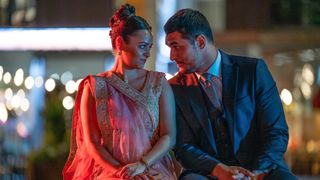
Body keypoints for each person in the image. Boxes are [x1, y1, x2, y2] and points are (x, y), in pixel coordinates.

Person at [164, 8, 297, 180]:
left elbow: (276, 131)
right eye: (169, 48)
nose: (172, 56)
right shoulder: (174, 87)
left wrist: (257, 172)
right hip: (209, 172)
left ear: (201, 42)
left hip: (260, 168)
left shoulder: (253, 71)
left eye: (176, 46)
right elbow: (184, 146)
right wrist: (219, 170)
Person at [63, 4, 176, 179]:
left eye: (149, 47)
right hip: (111, 172)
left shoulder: (159, 83)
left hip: (151, 168)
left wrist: (142, 165)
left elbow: (168, 135)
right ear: (120, 43)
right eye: (142, 46)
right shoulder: (94, 86)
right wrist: (121, 172)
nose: (147, 53)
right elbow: (92, 142)